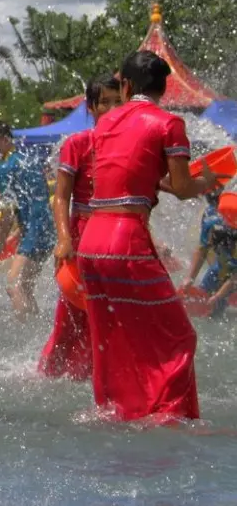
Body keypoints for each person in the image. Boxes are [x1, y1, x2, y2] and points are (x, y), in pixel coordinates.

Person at [77, 50, 219, 422]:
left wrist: (172, 185)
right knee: (180, 338)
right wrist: (206, 181)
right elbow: (185, 187)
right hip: (127, 242)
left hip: (91, 242)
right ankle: (167, 418)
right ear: (163, 87)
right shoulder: (167, 123)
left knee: (113, 335)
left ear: (125, 85)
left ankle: (114, 409)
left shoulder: (105, 124)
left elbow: (131, 174)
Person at [39, 75, 122, 381]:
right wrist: (63, 240)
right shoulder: (78, 144)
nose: (112, 109)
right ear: (91, 107)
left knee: (109, 313)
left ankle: (96, 373)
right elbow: (61, 197)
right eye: (105, 102)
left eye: (118, 102)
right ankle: (53, 374)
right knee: (71, 312)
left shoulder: (128, 146)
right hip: (82, 234)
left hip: (116, 236)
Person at [0, 120, 55, 319]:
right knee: (26, 286)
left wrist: (1, 240)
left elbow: (7, 211)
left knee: (13, 284)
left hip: (33, 232)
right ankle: (37, 333)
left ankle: (24, 333)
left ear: (5, 140)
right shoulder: (30, 159)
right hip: (48, 229)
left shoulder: (6, 168)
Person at [181, 188, 237, 318]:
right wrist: (190, 278)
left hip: (231, 269)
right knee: (204, 302)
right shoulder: (211, 218)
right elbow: (202, 249)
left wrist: (218, 295)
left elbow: (235, 276)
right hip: (220, 266)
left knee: (217, 307)